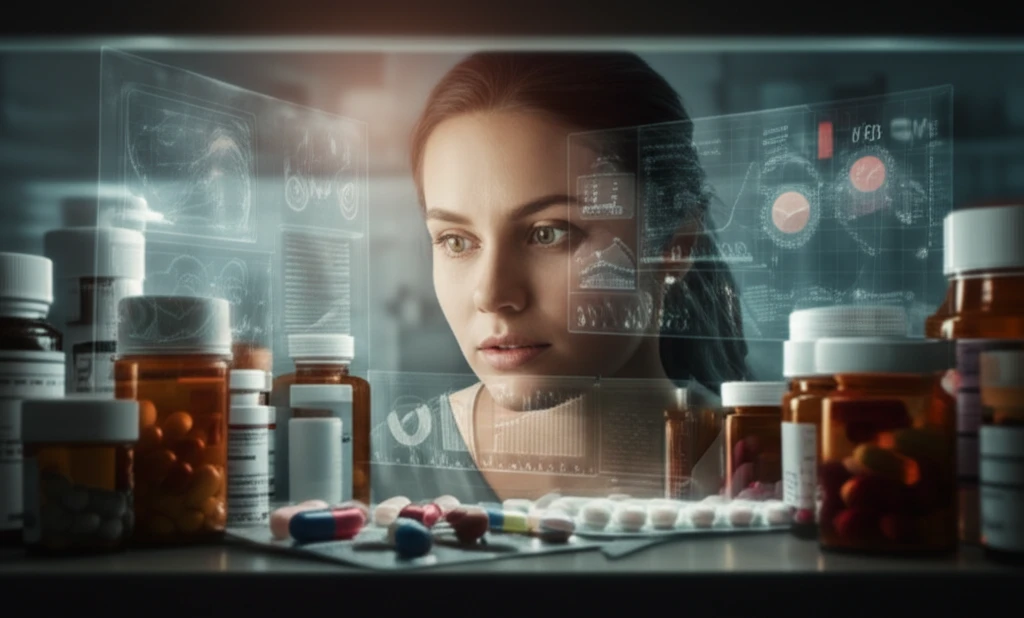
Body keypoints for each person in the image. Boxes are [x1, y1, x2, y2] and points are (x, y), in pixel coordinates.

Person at [371, 51, 751, 504]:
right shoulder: (379, 471)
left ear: (675, 245)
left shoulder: (781, 464)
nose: (491, 294)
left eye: (548, 233)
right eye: (456, 241)